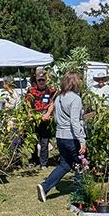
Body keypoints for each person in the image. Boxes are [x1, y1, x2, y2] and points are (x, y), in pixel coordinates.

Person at [37, 73, 86, 202]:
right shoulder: (75, 99)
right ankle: (80, 194)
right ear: (74, 83)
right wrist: (82, 140)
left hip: (60, 136)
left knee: (65, 165)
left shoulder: (58, 98)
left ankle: (44, 186)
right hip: (72, 137)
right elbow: (74, 122)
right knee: (80, 164)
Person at [25, 72, 56, 168]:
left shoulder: (51, 90)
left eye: (43, 80)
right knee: (33, 141)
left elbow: (52, 103)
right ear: (36, 81)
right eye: (39, 80)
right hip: (34, 119)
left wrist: (47, 114)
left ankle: (43, 163)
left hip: (45, 119)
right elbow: (28, 103)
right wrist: (29, 114)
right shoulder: (31, 91)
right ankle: (33, 160)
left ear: (46, 80)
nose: (41, 82)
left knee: (44, 142)